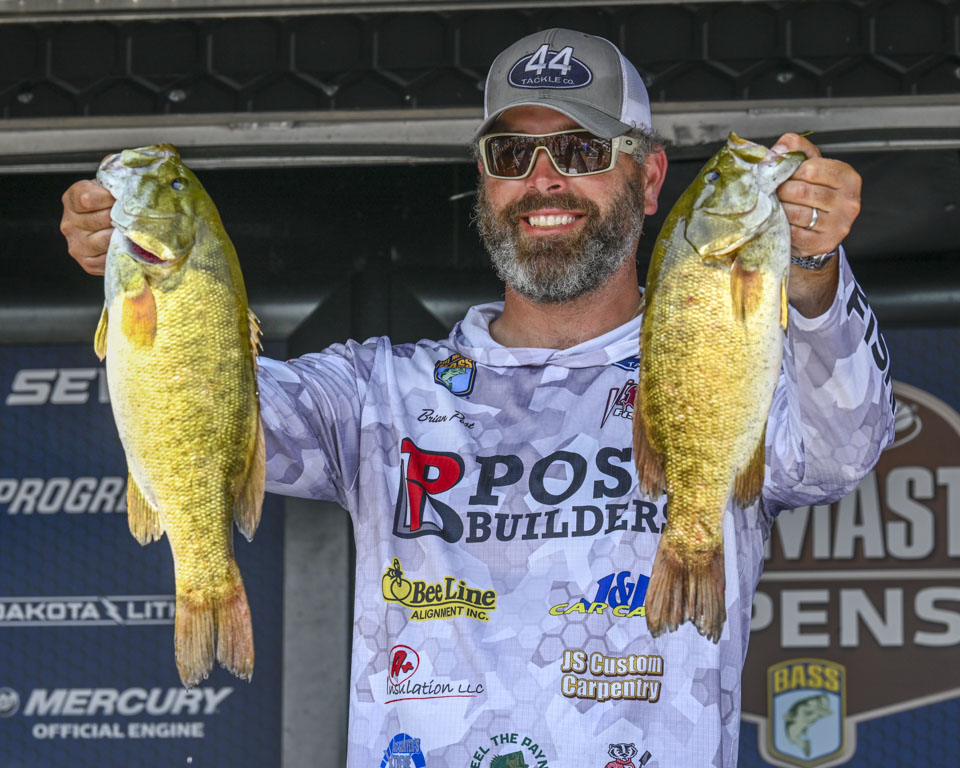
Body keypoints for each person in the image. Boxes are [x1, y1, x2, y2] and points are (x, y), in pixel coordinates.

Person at [60, 28, 893, 768]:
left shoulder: (721, 371)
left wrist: (813, 273)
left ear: (648, 179)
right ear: (484, 181)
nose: (543, 180)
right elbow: (206, 413)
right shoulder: (377, 394)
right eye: (510, 155)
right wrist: (144, 279)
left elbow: (843, 450)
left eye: (580, 151)